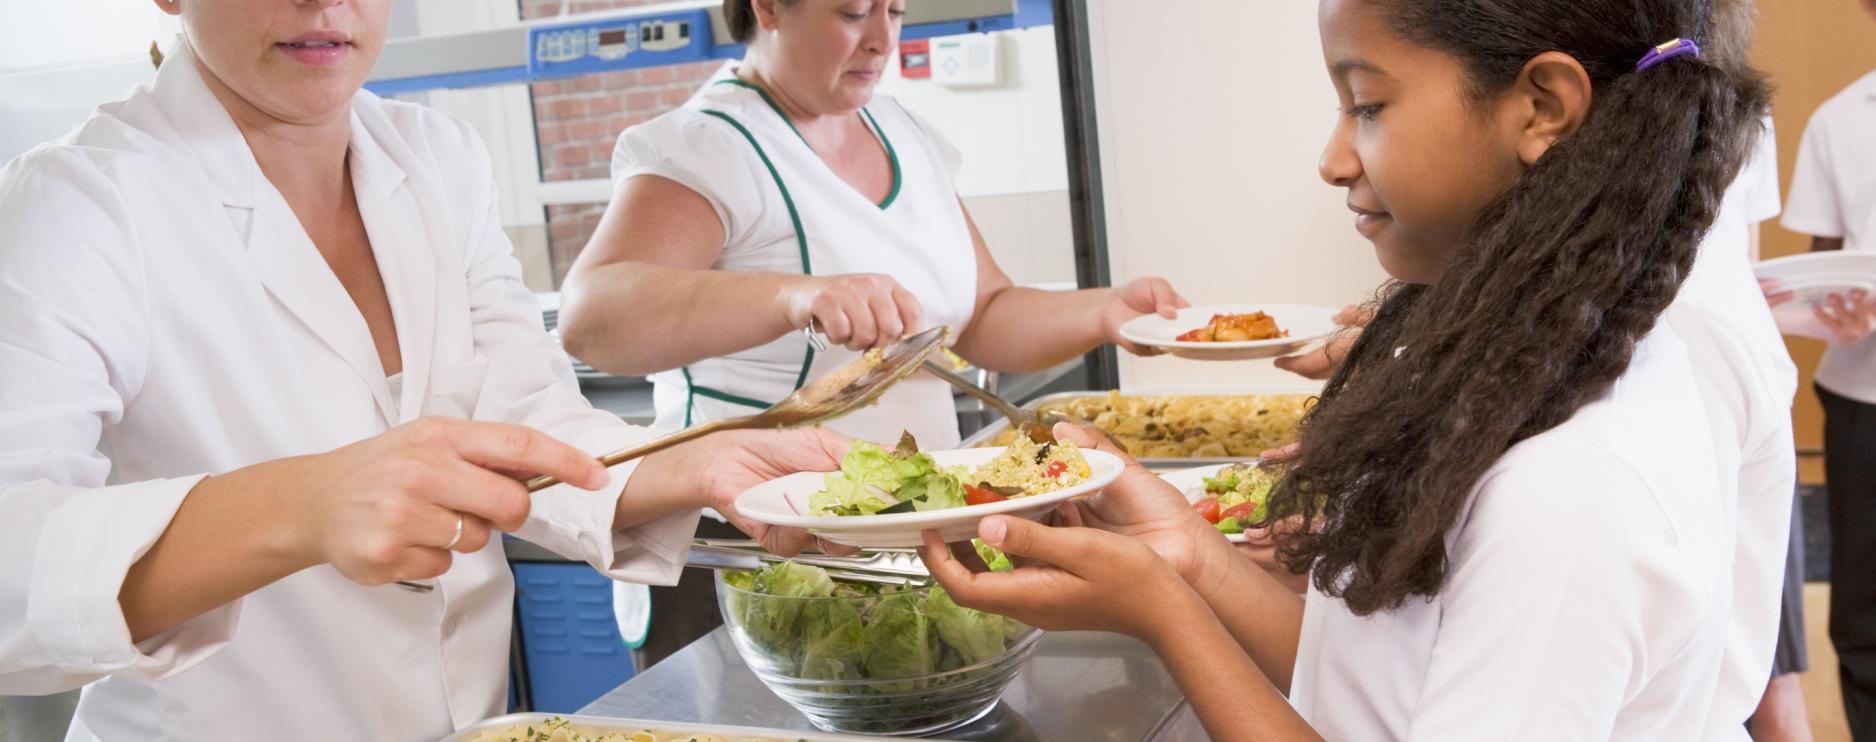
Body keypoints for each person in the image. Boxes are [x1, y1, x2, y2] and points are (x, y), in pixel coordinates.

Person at [919, 0, 1792, 739]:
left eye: (1367, 106)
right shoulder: (1507, 371)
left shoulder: (1579, 482)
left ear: (1542, 108)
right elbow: (1379, 684)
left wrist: (1162, 612)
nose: (1333, 159)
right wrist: (1182, 554)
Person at [0, 1, 845, 738]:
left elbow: (520, 410)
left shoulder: (437, 156)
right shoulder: (80, 201)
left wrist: (686, 460)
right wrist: (303, 504)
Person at [555, 0, 1187, 450]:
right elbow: (591, 317)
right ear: (769, 8)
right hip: (752, 544)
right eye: (855, 13)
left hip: (904, 522)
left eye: (895, 10)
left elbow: (985, 315)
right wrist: (793, 295)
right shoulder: (709, 147)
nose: (883, 39)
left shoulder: (899, 129)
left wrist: (1105, 314)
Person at [1781, 1, 1876, 733]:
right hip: (1861, 399)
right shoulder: (1840, 122)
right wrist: (1827, 309)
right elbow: (1822, 270)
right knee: (1864, 616)